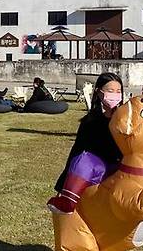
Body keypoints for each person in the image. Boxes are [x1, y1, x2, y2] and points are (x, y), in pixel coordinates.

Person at [47, 72, 124, 214]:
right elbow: (77, 151)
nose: (115, 95)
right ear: (99, 92)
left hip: (119, 171)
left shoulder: (125, 121)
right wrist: (63, 185)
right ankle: (67, 200)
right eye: (110, 91)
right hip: (95, 172)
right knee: (84, 159)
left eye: (118, 91)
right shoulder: (90, 122)